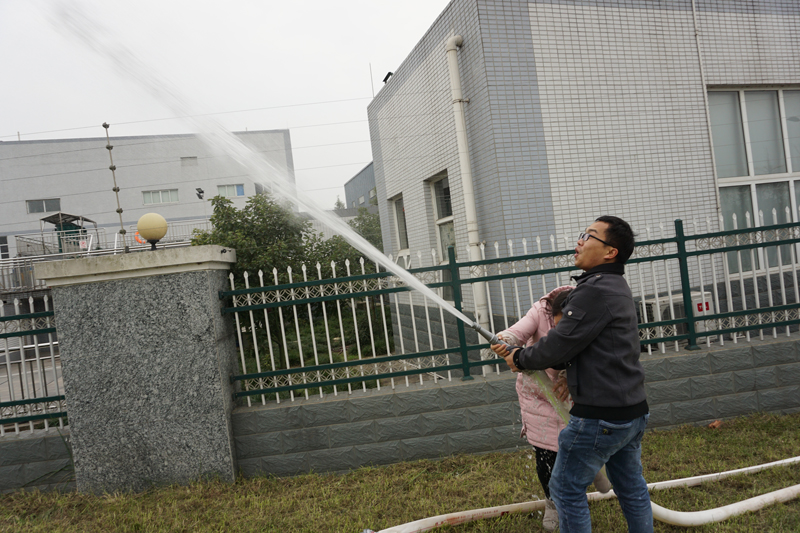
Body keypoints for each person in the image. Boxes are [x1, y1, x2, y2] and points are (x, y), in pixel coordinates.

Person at [492, 216, 652, 533]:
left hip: (600, 417)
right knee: (631, 488)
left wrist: (520, 357)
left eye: (589, 235)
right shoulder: (615, 287)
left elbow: (558, 346)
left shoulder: (593, 292)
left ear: (610, 253)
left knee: (565, 490)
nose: (579, 240)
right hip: (631, 412)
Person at [497, 287, 611, 532]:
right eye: (557, 325)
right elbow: (517, 332)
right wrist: (505, 340)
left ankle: (587, 480)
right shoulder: (540, 311)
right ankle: (553, 502)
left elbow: (594, 352)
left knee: (581, 443)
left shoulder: (588, 314)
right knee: (546, 452)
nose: (561, 330)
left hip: (575, 390)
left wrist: (570, 375)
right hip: (539, 394)